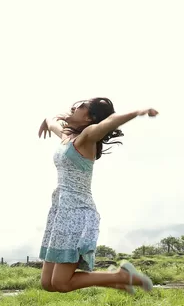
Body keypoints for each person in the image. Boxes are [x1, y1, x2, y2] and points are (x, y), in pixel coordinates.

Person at [37, 98, 158, 294]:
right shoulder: (67, 137)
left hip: (77, 214)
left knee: (60, 283)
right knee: (47, 284)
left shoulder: (87, 137)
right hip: (60, 214)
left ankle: (121, 276)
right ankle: (116, 281)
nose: (74, 107)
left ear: (89, 118)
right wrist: (47, 119)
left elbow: (109, 122)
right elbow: (52, 123)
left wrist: (138, 111)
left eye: (80, 107)